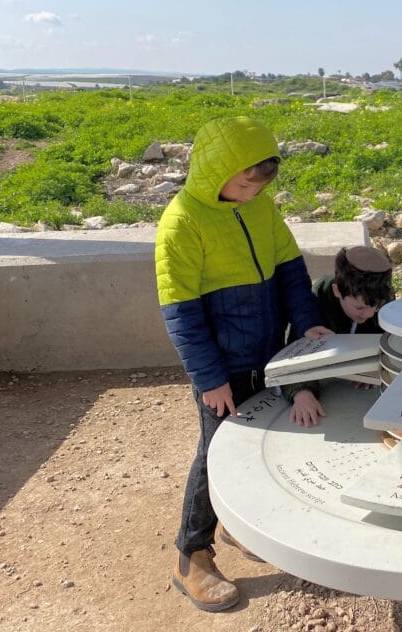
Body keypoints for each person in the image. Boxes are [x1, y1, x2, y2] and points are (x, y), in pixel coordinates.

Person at [155, 115, 332, 612]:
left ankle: (235, 525)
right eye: (244, 182)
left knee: (259, 446)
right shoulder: (182, 222)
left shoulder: (262, 209)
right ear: (216, 171)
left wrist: (307, 324)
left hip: (267, 354)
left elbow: (293, 277)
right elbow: (181, 314)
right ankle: (192, 554)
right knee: (216, 456)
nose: (252, 192)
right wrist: (210, 378)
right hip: (223, 369)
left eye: (261, 183)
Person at [311, 245, 394, 334]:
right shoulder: (314, 299)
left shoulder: (385, 298)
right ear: (337, 290)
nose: (370, 314)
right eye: (359, 308)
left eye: (377, 307)